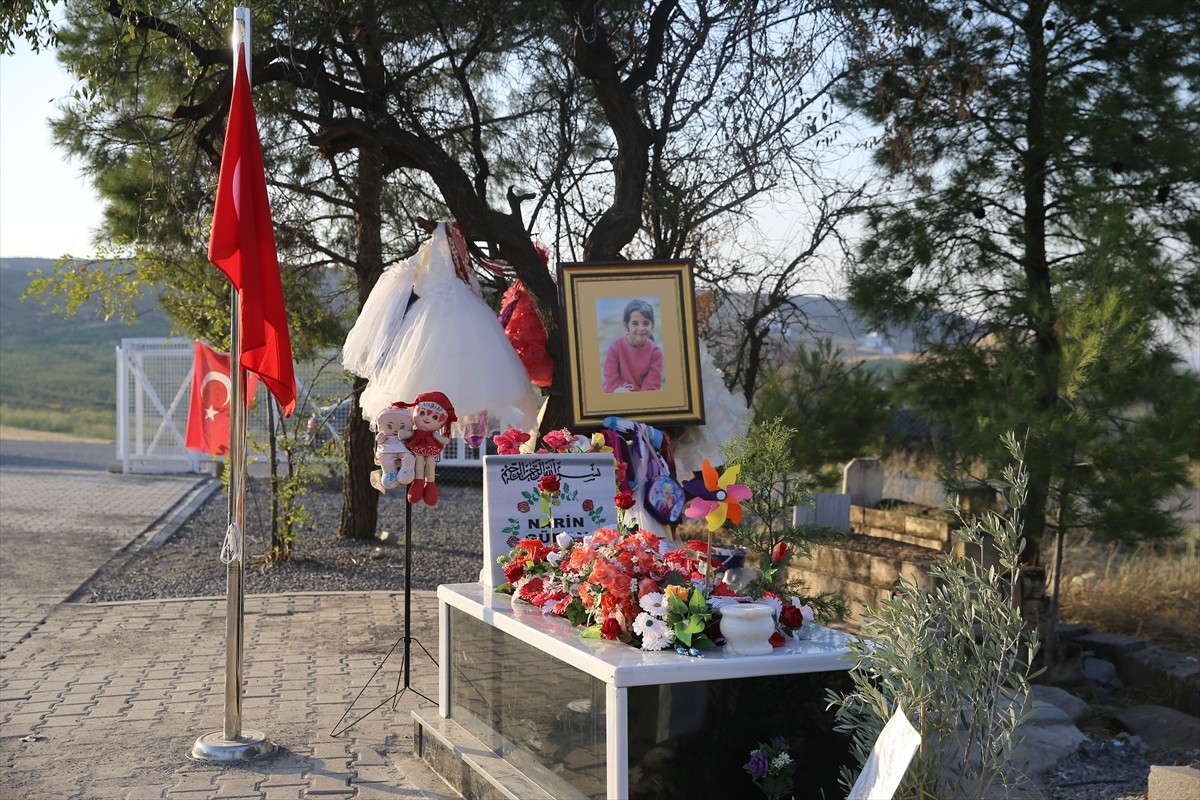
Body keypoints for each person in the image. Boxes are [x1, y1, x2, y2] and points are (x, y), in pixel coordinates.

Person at [602, 299, 664, 392]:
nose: (641, 328)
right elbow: (610, 385)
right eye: (635, 323)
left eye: (646, 323)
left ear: (653, 325)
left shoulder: (656, 353)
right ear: (626, 325)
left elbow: (651, 389)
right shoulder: (615, 348)